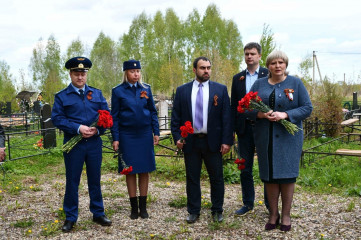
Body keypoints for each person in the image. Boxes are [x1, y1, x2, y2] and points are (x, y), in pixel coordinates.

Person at [246, 50, 312, 231]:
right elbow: (246, 108)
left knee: (287, 177)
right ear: (267, 66)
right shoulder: (259, 84)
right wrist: (260, 113)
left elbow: (307, 108)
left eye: (281, 62)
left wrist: (286, 114)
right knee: (270, 177)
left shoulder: (295, 83)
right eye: (273, 63)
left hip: (289, 138)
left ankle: (286, 215)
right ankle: (273, 214)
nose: (277, 66)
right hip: (265, 138)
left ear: (286, 65)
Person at [52, 57, 112, 232]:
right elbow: (57, 118)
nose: (80, 77)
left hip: (93, 143)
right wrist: (78, 128)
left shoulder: (97, 94)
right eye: (76, 73)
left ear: (86, 74)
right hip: (74, 145)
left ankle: (98, 213)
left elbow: (106, 117)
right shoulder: (62, 96)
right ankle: (70, 217)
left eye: (83, 73)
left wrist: (98, 130)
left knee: (95, 179)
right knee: (72, 181)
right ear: (70, 74)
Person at [171, 56, 233, 223]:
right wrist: (177, 137)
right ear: (194, 70)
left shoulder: (219, 90)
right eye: (202, 68)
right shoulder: (182, 90)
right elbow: (175, 117)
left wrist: (227, 141)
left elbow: (227, 117)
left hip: (212, 141)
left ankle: (217, 210)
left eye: (208, 67)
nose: (206, 71)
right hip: (190, 142)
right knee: (192, 178)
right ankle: (193, 210)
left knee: (217, 178)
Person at [111, 59, 160, 220]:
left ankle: (143, 207)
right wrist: (116, 138)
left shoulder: (146, 89)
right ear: (126, 73)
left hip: (145, 134)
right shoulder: (118, 91)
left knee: (144, 170)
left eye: (138, 71)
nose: (136, 74)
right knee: (130, 170)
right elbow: (115, 117)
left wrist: (156, 131)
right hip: (127, 135)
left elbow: (153, 111)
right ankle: (133, 207)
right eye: (132, 71)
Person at [231, 42, 269, 215]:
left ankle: (270, 204)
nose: (249, 57)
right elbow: (234, 107)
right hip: (244, 129)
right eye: (246, 54)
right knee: (245, 168)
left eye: (253, 54)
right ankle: (248, 204)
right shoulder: (237, 78)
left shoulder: (268, 75)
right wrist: (231, 130)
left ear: (260, 56)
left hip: (263, 127)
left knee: (266, 166)